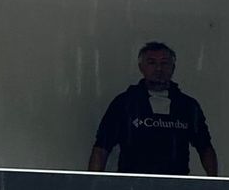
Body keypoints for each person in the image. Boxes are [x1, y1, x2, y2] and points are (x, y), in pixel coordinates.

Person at [88, 41, 219, 176]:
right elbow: (101, 148)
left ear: (172, 67)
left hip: (176, 187)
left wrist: (213, 183)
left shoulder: (187, 106)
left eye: (164, 63)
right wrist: (92, 185)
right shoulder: (125, 104)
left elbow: (205, 148)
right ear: (141, 67)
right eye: (152, 63)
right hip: (132, 187)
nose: (158, 69)